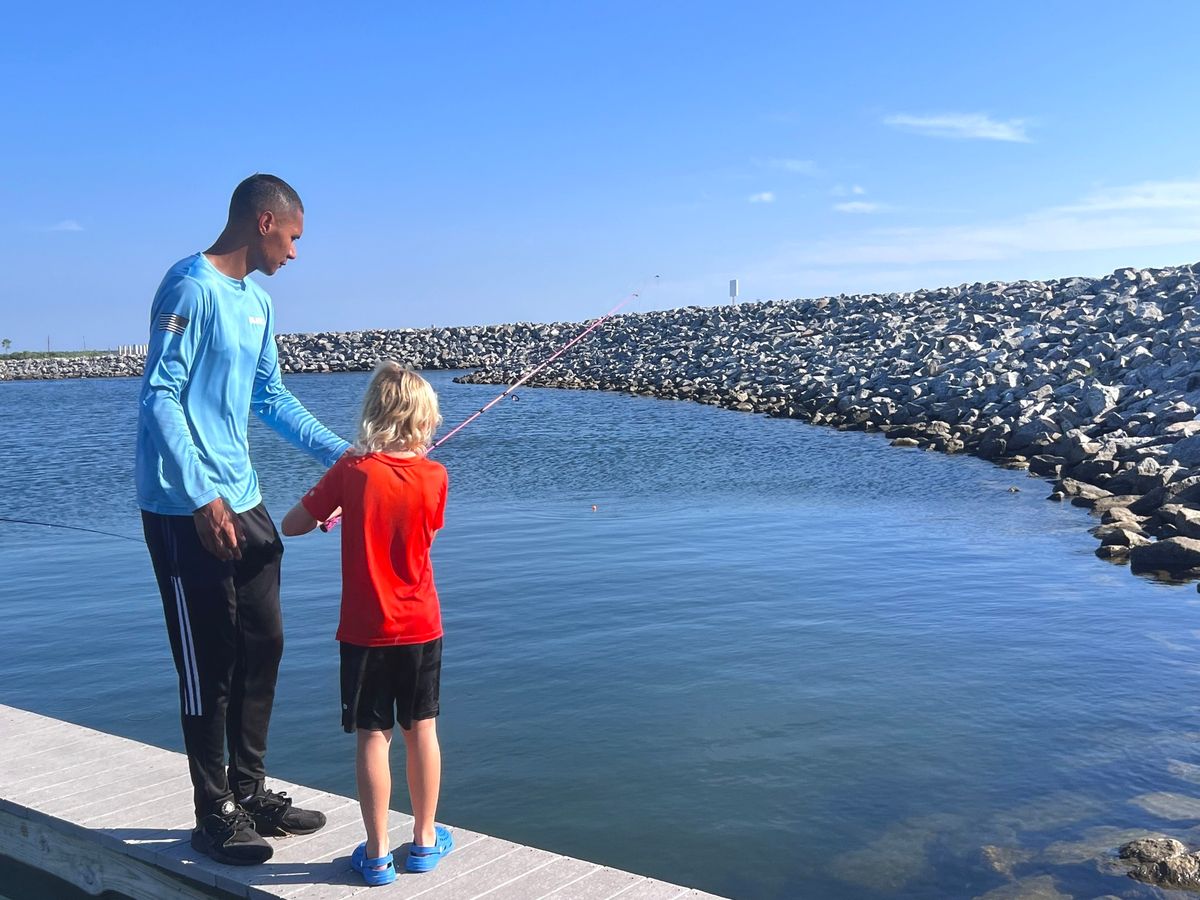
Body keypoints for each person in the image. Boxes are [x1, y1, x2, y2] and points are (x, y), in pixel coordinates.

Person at [136, 174, 350, 865]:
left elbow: (272, 399)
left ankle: (250, 790)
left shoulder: (257, 303)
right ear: (265, 222)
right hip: (183, 504)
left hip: (244, 493)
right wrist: (202, 497)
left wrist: (348, 460)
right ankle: (212, 811)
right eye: (293, 237)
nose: (295, 253)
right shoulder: (188, 287)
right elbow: (160, 396)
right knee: (209, 662)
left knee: (265, 643)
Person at [282, 362, 453, 885]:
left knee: (372, 736)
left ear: (373, 412)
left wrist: (334, 512)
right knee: (421, 729)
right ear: (424, 419)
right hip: (422, 625)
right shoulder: (436, 476)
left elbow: (291, 525)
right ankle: (424, 842)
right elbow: (421, 531)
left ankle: (377, 854)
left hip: (365, 631)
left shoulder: (351, 472)